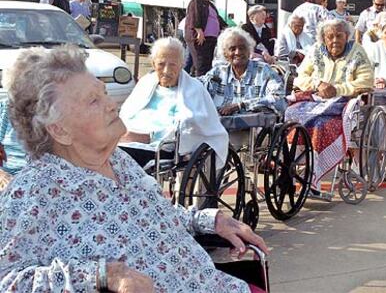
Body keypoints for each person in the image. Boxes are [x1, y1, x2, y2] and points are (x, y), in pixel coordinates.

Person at [0, 45, 268, 293]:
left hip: (217, 284)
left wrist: (211, 220)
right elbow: (7, 280)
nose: (110, 104)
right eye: (93, 101)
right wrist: (103, 274)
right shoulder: (34, 191)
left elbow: (152, 216)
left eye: (103, 93)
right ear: (59, 129)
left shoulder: (119, 160)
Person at [118, 37, 228, 171]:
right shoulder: (145, 83)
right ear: (153, 64)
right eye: (161, 64)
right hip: (127, 141)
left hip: (161, 148)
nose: (166, 70)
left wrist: (149, 136)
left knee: (119, 156)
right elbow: (126, 113)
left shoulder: (194, 89)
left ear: (182, 64)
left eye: (172, 64)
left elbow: (193, 124)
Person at [286, 19, 374, 187]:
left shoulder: (357, 52)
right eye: (330, 36)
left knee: (321, 125)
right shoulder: (316, 51)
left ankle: (314, 174)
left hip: (342, 104)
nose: (334, 40)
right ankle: (291, 162)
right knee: (291, 116)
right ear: (324, 39)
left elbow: (366, 81)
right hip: (314, 99)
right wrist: (318, 84)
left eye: (339, 36)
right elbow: (301, 77)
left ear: (347, 36)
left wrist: (337, 89)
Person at [200, 27, 287, 116]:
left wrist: (241, 105)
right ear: (225, 54)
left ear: (249, 51)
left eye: (242, 48)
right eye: (232, 49)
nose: (238, 52)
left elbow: (279, 100)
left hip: (255, 127)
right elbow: (197, 87)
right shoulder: (218, 72)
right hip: (219, 127)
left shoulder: (264, 71)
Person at [185, 0, 227, 76]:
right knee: (201, 64)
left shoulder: (210, 4)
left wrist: (227, 28)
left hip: (211, 39)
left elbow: (217, 18)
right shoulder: (196, 1)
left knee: (207, 63)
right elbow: (194, 15)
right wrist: (199, 30)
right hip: (201, 38)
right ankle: (201, 85)